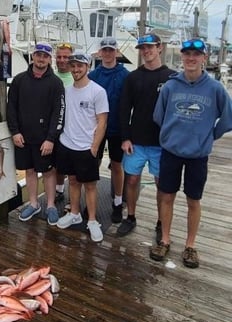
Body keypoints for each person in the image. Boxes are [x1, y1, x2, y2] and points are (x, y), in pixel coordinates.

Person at [150, 38, 232, 268]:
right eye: (187, 54)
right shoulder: (170, 86)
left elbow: (227, 118)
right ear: (182, 57)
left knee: (193, 199)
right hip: (171, 151)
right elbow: (159, 115)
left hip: (198, 155)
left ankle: (190, 245)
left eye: (196, 55)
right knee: (167, 196)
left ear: (204, 58)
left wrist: (209, 135)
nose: (191, 59)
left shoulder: (215, 88)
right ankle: (165, 240)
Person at [118, 33, 176, 240]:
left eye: (150, 47)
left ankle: (162, 221)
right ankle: (131, 217)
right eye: (142, 48)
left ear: (159, 47)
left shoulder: (172, 77)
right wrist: (125, 137)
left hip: (163, 143)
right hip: (136, 141)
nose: (146, 51)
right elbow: (124, 109)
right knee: (132, 179)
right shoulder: (133, 77)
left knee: (162, 183)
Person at [6, 42, 65, 225]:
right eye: (38, 55)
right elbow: (11, 108)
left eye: (45, 56)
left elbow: (59, 112)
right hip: (23, 137)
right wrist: (15, 132)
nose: (41, 59)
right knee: (29, 171)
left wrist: (51, 138)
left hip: (45, 140)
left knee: (48, 173)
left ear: (50, 59)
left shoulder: (56, 83)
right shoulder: (19, 80)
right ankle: (33, 203)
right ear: (33, 56)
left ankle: (50, 205)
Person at [55, 53, 109, 242]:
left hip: (87, 147)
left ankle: (93, 220)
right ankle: (75, 212)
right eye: (73, 66)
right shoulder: (66, 90)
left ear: (88, 67)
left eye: (80, 66)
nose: (76, 69)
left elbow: (102, 122)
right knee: (73, 180)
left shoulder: (98, 91)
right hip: (67, 143)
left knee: (91, 186)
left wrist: (95, 147)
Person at [88, 36, 129, 223]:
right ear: (99, 52)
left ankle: (118, 202)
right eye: (104, 50)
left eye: (111, 50)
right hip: (96, 127)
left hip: (117, 128)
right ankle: (90, 202)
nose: (107, 53)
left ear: (116, 52)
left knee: (117, 165)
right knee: (93, 163)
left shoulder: (125, 75)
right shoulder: (93, 75)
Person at [54, 43, 74, 202]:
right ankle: (59, 190)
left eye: (66, 57)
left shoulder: (77, 76)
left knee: (73, 169)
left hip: (73, 130)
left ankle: (73, 201)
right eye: (59, 57)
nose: (62, 60)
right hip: (54, 129)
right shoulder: (51, 77)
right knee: (55, 165)